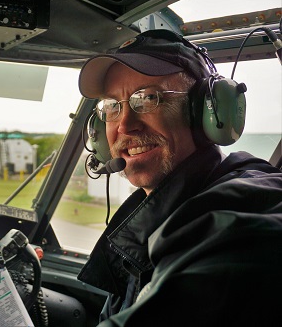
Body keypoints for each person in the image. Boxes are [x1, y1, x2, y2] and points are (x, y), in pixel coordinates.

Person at [76, 29, 282, 326]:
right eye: (112, 106)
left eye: (147, 98)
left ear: (207, 111)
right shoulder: (150, 221)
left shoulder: (242, 217)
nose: (125, 126)